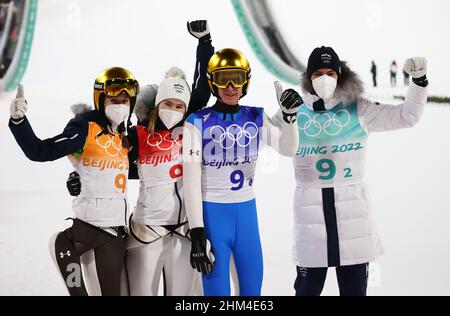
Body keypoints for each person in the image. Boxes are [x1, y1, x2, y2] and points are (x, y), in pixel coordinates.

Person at [66, 20, 215, 296]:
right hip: (147, 230)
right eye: (167, 104)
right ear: (156, 105)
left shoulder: (188, 124)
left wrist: (204, 44)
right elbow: (113, 163)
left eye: (178, 105)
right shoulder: (139, 133)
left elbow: (201, 88)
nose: (173, 109)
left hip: (183, 231)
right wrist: (80, 178)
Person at [273, 46, 428, 296]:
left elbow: (406, 116)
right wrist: (286, 118)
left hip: (352, 220)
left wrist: (419, 83)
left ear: (340, 75)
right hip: (311, 221)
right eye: (318, 73)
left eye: (330, 73)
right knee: (307, 290)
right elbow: (273, 142)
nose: (324, 79)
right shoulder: (295, 109)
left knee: (354, 291)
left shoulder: (359, 109)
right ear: (309, 77)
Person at [9, 67, 140, 296]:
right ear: (100, 100)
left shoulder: (123, 137)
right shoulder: (85, 129)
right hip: (87, 228)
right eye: (113, 99)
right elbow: (41, 151)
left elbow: (122, 173)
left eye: (124, 100)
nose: (120, 105)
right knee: (61, 245)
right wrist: (19, 121)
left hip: (116, 232)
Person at [182, 48, 301, 296]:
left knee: (252, 292)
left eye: (237, 78)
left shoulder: (256, 116)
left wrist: (290, 118)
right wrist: (196, 232)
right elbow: (190, 181)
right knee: (217, 293)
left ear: (246, 80)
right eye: (223, 78)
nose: (231, 86)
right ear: (212, 81)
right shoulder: (196, 122)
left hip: (246, 214)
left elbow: (288, 149)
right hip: (213, 215)